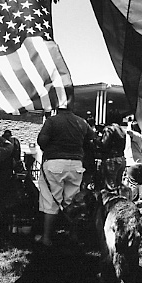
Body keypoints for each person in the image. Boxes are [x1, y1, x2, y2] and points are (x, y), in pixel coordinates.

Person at [35, 106, 96, 247]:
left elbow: (41, 142)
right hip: (76, 164)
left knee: (50, 200)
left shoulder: (52, 121)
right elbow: (90, 142)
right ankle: (73, 236)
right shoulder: (82, 122)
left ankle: (46, 238)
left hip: (54, 162)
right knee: (72, 201)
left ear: (57, 108)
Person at [98, 117, 126, 193]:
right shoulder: (121, 130)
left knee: (110, 186)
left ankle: (113, 202)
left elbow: (104, 144)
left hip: (111, 158)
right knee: (118, 184)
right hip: (121, 158)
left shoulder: (109, 129)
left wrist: (96, 140)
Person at [124, 121, 142, 201]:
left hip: (132, 162)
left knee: (132, 183)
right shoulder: (140, 137)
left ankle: (134, 200)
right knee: (135, 183)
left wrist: (128, 124)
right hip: (138, 162)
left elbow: (128, 132)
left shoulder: (135, 135)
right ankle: (135, 199)